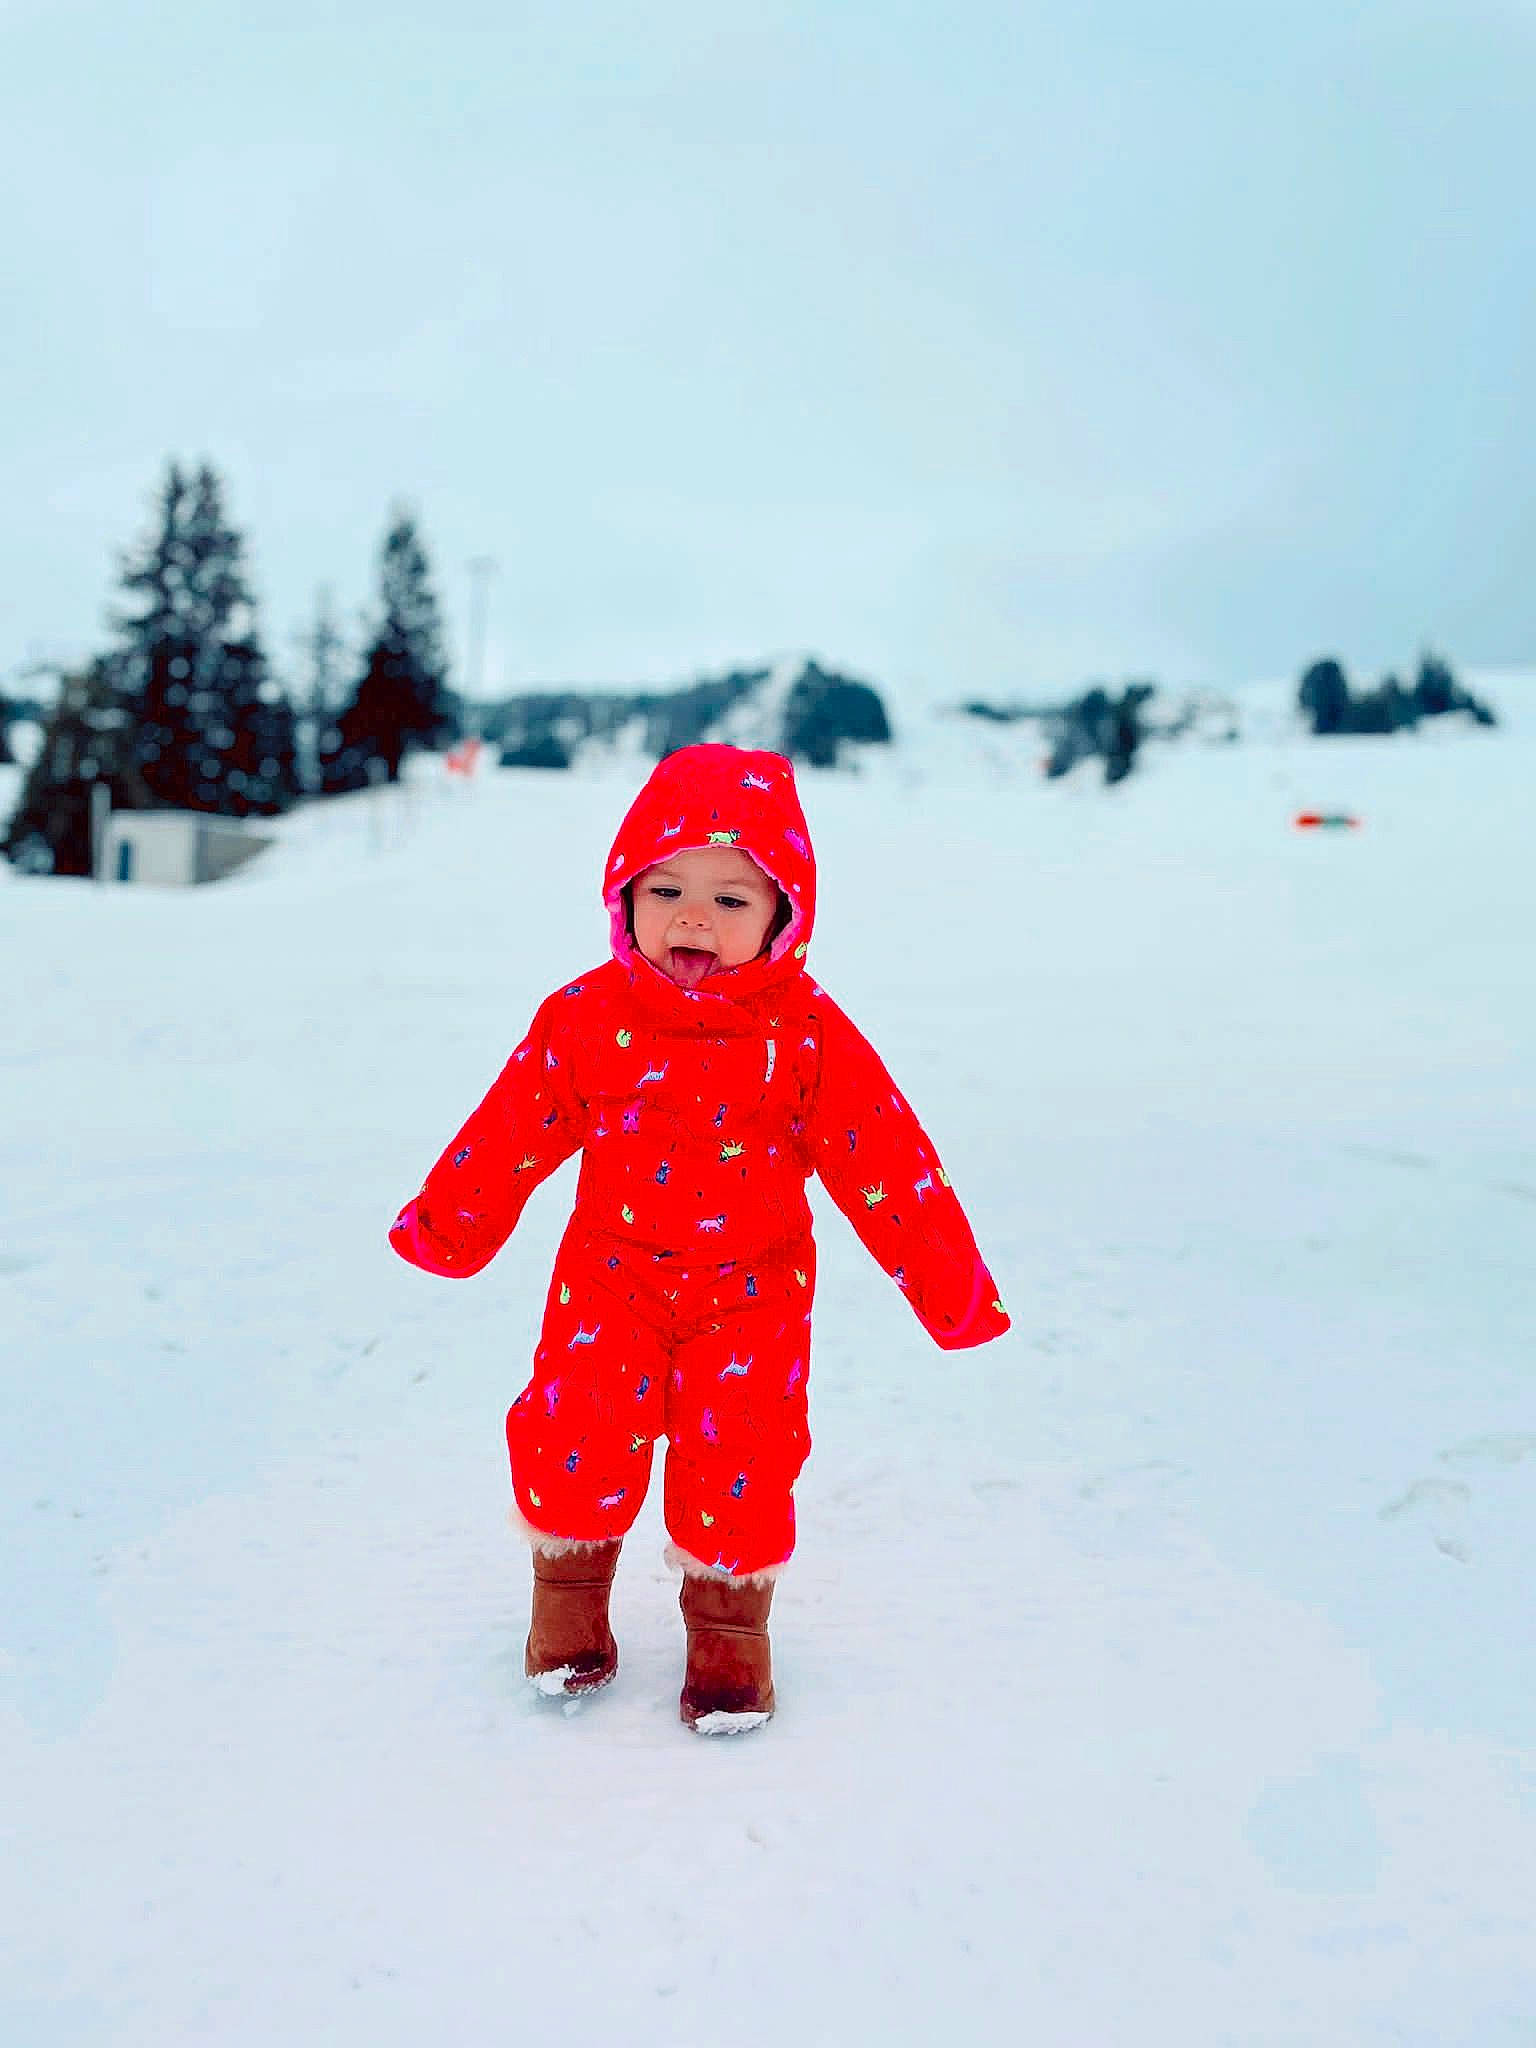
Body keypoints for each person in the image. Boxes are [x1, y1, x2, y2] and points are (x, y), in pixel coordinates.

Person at [390, 742, 1009, 1733]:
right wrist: (450, 1222)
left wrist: (953, 1288)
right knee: (574, 1437)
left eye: (732, 899)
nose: (692, 917)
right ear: (623, 898)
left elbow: (887, 1159)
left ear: (783, 915)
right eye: (667, 886)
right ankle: (568, 1613)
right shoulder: (585, 1018)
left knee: (743, 1458)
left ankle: (729, 1643)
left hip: (752, 1295)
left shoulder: (804, 1033)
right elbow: (507, 1129)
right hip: (608, 1280)